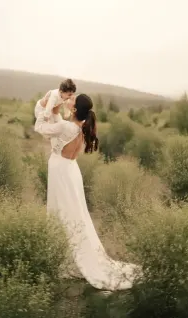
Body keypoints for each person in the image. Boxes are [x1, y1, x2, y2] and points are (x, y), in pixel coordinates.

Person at [34, 93, 140, 291]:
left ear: (74, 109)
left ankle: (65, 258)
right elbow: (60, 127)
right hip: (70, 171)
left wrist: (46, 107)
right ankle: (68, 255)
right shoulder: (80, 127)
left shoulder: (67, 127)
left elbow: (39, 127)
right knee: (73, 213)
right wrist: (55, 111)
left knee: (63, 213)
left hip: (61, 172)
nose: (69, 99)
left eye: (72, 100)